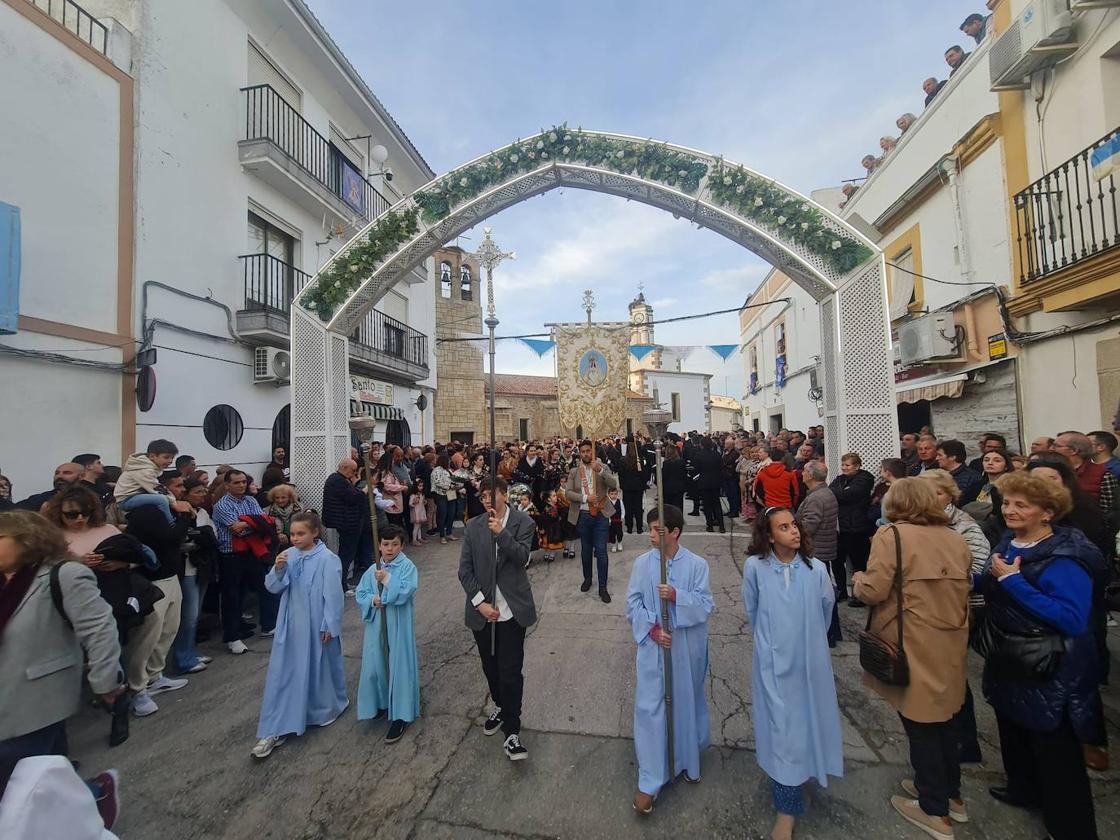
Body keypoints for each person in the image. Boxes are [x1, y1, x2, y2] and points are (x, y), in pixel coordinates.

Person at [978, 473, 1103, 840]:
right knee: (1015, 731)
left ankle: (1071, 828)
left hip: (1049, 663)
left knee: (1056, 752)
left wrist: (1012, 582)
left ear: (1048, 513)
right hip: (1010, 653)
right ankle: (1024, 789)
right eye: (1007, 502)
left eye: (1022, 504)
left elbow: (1073, 618)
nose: (1010, 509)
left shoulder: (1065, 556)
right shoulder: (1010, 541)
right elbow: (990, 578)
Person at [852, 479, 972, 840]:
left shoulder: (894, 536)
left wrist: (858, 580)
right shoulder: (954, 536)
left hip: (912, 638)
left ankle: (934, 809)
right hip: (950, 636)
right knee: (946, 718)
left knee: (921, 723)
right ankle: (950, 795)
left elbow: (874, 590)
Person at [0, 510, 124, 816]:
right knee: (42, 777)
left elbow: (99, 628)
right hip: (6, 694)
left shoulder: (63, 573)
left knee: (17, 784)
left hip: (37, 697)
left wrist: (105, 682)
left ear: (27, 539)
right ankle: (93, 795)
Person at [743, 507, 843, 839]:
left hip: (809, 663)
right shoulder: (756, 568)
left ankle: (808, 770)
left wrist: (809, 644)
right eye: (784, 528)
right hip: (773, 662)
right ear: (769, 536)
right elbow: (753, 608)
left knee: (808, 720)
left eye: (795, 525)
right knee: (782, 730)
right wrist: (772, 644)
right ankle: (787, 806)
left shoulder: (815, 570)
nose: (794, 532)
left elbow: (826, 609)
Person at [626, 504, 712, 814]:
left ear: (674, 533)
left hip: (685, 649)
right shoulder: (642, 564)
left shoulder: (698, 565)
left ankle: (686, 759)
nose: (650, 535)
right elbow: (632, 605)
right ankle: (650, 779)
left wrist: (677, 596)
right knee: (650, 709)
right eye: (649, 529)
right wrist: (651, 629)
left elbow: (705, 605)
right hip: (654, 649)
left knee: (685, 703)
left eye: (657, 530)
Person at [251, 512, 348, 759]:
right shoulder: (288, 556)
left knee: (319, 666)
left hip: (316, 621)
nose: (295, 538)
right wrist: (278, 569)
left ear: (315, 533)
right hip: (292, 622)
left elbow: (333, 595)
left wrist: (330, 623)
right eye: (292, 534)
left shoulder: (327, 559)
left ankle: (322, 708)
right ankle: (278, 722)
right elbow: (273, 587)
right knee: (286, 670)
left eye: (300, 533)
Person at [458, 476, 535, 762]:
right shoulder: (473, 527)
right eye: (483, 496)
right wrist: (480, 604)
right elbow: (465, 570)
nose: (488, 500)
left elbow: (522, 557)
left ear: (505, 495)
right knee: (490, 667)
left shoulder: (524, 523)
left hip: (512, 610)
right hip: (484, 612)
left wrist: (501, 533)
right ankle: (502, 706)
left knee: (510, 671)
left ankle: (512, 733)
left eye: (493, 494)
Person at [919, 469, 992, 765]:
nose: (931, 499)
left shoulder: (963, 524)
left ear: (950, 495)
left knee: (951, 674)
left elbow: (977, 570)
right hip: (931, 608)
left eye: (937, 493)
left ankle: (963, 740)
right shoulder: (924, 522)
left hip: (958, 607)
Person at [122, 473, 197, 716]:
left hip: (170, 575)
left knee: (168, 630)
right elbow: (171, 537)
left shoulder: (164, 508)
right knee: (147, 637)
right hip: (152, 581)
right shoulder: (146, 511)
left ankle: (156, 676)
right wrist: (185, 515)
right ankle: (137, 687)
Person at [356, 524, 420, 744]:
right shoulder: (373, 568)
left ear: (402, 545)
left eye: (394, 544)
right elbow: (361, 592)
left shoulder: (407, 566)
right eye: (385, 544)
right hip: (377, 625)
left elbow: (406, 591)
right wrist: (372, 600)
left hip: (398, 623)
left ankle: (401, 714)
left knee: (398, 663)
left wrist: (387, 581)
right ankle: (381, 701)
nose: (390, 549)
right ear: (379, 546)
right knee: (377, 663)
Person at [213, 469, 268, 654]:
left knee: (263, 587)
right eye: (237, 483)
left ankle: (268, 625)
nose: (242, 485)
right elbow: (237, 529)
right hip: (230, 555)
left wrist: (250, 522)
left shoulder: (251, 500)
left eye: (244, 481)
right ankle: (232, 637)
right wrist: (254, 522)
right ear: (227, 485)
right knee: (232, 597)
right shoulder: (222, 505)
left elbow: (265, 521)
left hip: (251, 552)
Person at [172, 478, 218, 675]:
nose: (202, 495)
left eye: (203, 492)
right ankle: (183, 658)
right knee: (188, 616)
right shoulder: (178, 513)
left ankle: (190, 651)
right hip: (187, 569)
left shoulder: (203, 513)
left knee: (195, 613)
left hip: (203, 566)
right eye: (197, 491)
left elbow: (212, 535)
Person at [565, 439, 619, 603]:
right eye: (583, 451)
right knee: (586, 551)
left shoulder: (601, 467)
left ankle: (603, 587)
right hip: (583, 515)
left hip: (601, 515)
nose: (586, 454)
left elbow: (613, 484)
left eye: (589, 451)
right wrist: (585, 497)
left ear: (592, 452)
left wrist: (601, 471)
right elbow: (568, 493)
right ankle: (587, 578)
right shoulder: (574, 472)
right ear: (580, 454)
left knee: (601, 552)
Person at [799, 461, 842, 646]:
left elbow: (809, 524)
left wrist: (793, 532)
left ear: (810, 475)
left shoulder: (817, 497)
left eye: (804, 472)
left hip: (816, 550)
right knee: (825, 592)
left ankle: (829, 634)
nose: (801, 474)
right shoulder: (823, 493)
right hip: (822, 549)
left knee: (820, 595)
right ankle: (834, 631)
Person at [830, 453, 875, 607]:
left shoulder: (865, 479)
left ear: (857, 466)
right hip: (841, 527)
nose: (844, 468)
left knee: (858, 562)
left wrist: (841, 494)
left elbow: (850, 494)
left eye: (847, 465)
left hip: (857, 528)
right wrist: (841, 494)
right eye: (843, 465)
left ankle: (860, 594)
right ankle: (841, 590)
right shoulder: (840, 479)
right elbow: (833, 492)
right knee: (836, 560)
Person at [321, 458, 372, 588]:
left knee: (347, 554)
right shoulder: (337, 481)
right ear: (344, 467)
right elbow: (353, 497)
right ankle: (341, 585)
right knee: (346, 555)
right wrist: (364, 491)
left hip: (347, 522)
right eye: (353, 470)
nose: (354, 473)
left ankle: (343, 583)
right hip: (347, 523)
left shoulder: (339, 480)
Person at [113, 439, 179, 524]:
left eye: (172, 458)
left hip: (135, 495)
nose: (170, 461)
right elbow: (156, 488)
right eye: (166, 457)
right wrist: (174, 503)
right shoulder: (145, 470)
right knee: (161, 499)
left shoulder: (146, 466)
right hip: (126, 500)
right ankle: (171, 524)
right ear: (152, 456)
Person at [16, 463, 82, 512]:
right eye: (57, 473)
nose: (60, 476)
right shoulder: (40, 499)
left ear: (81, 476)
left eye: (67, 473)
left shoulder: (90, 496)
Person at [936, 440, 982, 506]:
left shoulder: (973, 477)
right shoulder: (936, 474)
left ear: (952, 457)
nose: (937, 458)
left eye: (940, 455)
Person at [617, 443, 646, 535]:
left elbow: (620, 474)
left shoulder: (623, 460)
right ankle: (639, 527)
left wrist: (622, 485)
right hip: (638, 486)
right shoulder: (639, 460)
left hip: (627, 486)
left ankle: (629, 527)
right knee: (638, 507)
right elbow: (643, 474)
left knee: (628, 507)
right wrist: (643, 485)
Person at [265, 484, 302, 549]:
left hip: (298, 543)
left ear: (290, 497)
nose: (280, 500)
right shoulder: (268, 512)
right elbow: (267, 531)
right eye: (277, 498)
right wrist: (277, 535)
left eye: (283, 497)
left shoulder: (300, 509)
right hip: (277, 545)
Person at [661, 443, 687, 513]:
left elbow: (664, 476)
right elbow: (684, 475)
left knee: (668, 506)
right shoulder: (681, 462)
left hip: (668, 487)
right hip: (679, 486)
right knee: (678, 505)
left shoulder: (666, 463)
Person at [408, 479, 428, 545]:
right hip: (416, 512)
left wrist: (425, 502)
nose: (421, 487)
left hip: (421, 511)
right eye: (419, 486)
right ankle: (414, 540)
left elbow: (423, 503)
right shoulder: (413, 495)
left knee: (419, 526)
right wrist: (414, 502)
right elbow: (410, 504)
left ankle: (419, 538)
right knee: (416, 526)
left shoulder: (422, 494)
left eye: (422, 486)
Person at [607, 487, 624, 553]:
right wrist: (608, 519)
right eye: (612, 494)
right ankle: (613, 545)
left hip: (618, 520)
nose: (614, 495)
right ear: (608, 494)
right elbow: (607, 512)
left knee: (619, 533)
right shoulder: (608, 502)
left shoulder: (620, 501)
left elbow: (623, 510)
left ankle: (619, 543)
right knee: (612, 534)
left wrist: (622, 517)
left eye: (615, 494)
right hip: (611, 521)